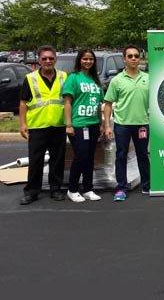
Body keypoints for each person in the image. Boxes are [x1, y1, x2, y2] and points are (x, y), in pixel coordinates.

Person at [18, 45, 68, 205]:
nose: (48, 61)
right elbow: (23, 103)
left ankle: (56, 189)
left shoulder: (64, 77)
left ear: (56, 60)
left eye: (51, 58)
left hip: (58, 125)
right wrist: (22, 124)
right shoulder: (30, 78)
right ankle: (32, 191)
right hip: (37, 126)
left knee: (57, 159)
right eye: (44, 58)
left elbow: (68, 101)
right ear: (39, 60)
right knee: (35, 160)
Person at [104, 44, 150, 201]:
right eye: (130, 56)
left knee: (143, 155)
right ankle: (121, 188)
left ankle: (146, 185)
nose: (134, 58)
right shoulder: (117, 80)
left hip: (142, 124)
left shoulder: (148, 78)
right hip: (122, 124)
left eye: (136, 56)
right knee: (121, 155)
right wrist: (107, 126)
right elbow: (108, 103)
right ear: (124, 59)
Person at [63, 48, 105, 202]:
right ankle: (72, 189)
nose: (88, 62)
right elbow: (67, 103)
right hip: (78, 124)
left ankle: (88, 188)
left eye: (91, 59)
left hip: (93, 124)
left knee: (89, 157)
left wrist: (101, 124)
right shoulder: (73, 78)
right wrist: (68, 124)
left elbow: (98, 105)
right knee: (80, 156)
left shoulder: (96, 81)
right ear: (79, 60)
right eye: (85, 59)